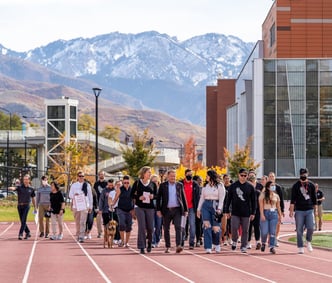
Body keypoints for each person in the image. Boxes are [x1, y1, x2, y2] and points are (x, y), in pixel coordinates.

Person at [224, 168, 256, 253]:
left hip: (246, 212)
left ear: (247, 176)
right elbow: (228, 199)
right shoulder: (233, 186)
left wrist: (253, 212)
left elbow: (254, 201)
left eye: (245, 176)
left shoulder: (250, 187)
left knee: (245, 230)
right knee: (234, 228)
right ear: (238, 175)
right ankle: (234, 240)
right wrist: (227, 211)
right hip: (235, 212)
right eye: (242, 175)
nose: (243, 177)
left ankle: (243, 246)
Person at [156, 169, 188, 254]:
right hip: (166, 210)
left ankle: (178, 245)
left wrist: (185, 209)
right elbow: (158, 198)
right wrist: (158, 210)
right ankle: (168, 246)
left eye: (174, 176)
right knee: (166, 228)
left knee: (178, 227)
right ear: (167, 176)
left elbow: (183, 197)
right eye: (171, 176)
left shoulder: (179, 185)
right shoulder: (163, 186)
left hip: (177, 209)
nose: (173, 178)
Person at [289, 168, 317, 254]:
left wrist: (315, 211)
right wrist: (291, 211)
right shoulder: (296, 185)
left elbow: (314, 199)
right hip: (299, 210)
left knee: (311, 227)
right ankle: (300, 246)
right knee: (299, 229)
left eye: (305, 174)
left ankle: (308, 241)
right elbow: (292, 200)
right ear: (300, 175)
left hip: (309, 209)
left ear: (307, 174)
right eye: (302, 174)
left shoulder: (311, 185)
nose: (303, 175)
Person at [197, 170, 225, 253]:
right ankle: (208, 247)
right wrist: (199, 209)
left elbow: (221, 199)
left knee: (216, 228)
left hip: (215, 205)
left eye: (207, 176)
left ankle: (216, 244)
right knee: (207, 226)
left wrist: (219, 209)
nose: (206, 177)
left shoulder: (220, 186)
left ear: (211, 176)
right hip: (206, 205)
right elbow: (202, 198)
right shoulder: (205, 186)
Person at [131, 166, 157, 254]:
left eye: (150, 172)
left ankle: (149, 242)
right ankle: (142, 246)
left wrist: (153, 196)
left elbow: (157, 195)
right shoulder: (137, 183)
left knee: (150, 228)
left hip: (150, 208)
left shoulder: (153, 184)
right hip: (140, 207)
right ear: (144, 173)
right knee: (142, 227)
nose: (150, 174)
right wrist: (139, 197)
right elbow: (131, 195)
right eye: (148, 172)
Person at [69, 171, 93, 243]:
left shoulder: (87, 185)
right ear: (77, 177)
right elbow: (70, 195)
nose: (81, 177)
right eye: (80, 176)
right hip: (76, 206)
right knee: (77, 222)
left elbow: (90, 196)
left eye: (82, 176)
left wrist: (90, 206)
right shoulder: (74, 185)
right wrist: (75, 195)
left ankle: (82, 236)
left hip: (84, 205)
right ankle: (78, 234)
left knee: (83, 221)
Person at [259, 181, 281, 254]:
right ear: (268, 187)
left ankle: (272, 246)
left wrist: (280, 215)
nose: (273, 187)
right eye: (271, 185)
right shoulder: (263, 195)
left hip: (274, 214)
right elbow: (261, 206)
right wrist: (262, 214)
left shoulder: (276, 196)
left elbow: (278, 206)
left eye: (274, 185)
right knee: (264, 231)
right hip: (265, 212)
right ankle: (263, 242)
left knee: (272, 232)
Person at [112, 175, 134, 248]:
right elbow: (116, 198)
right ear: (123, 182)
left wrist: (134, 210)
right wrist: (112, 204)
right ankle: (122, 240)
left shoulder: (132, 189)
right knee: (122, 224)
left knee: (129, 226)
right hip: (121, 209)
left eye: (127, 183)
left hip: (130, 210)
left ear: (129, 182)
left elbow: (135, 200)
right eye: (125, 183)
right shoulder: (120, 189)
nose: (126, 184)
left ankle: (127, 242)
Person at [182, 169, 201, 249]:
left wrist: (198, 209)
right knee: (182, 226)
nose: (190, 175)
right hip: (182, 208)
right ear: (185, 174)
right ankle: (181, 242)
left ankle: (191, 243)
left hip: (192, 208)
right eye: (188, 174)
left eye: (191, 174)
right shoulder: (180, 183)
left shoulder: (195, 184)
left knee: (192, 225)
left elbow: (198, 197)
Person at [16, 174, 36, 240]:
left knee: (24, 219)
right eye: (24, 179)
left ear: (29, 180)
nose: (25, 181)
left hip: (27, 206)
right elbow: (15, 188)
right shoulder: (20, 187)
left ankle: (20, 234)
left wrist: (35, 207)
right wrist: (11, 188)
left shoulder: (31, 189)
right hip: (19, 206)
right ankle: (28, 232)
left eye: (26, 179)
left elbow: (33, 198)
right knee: (22, 221)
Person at [247, 170, 263, 250]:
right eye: (250, 175)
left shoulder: (260, 186)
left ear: (255, 176)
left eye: (253, 175)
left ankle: (257, 241)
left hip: (257, 208)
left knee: (257, 225)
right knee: (249, 226)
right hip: (248, 208)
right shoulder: (246, 185)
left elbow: (263, 196)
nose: (252, 176)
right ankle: (248, 242)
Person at [268, 172, 285, 247]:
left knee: (277, 224)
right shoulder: (266, 187)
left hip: (276, 208)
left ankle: (275, 239)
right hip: (268, 208)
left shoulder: (278, 187)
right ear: (268, 177)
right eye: (270, 176)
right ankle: (270, 239)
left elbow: (281, 199)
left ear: (275, 178)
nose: (271, 177)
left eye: (273, 176)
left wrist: (282, 210)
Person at [94, 171, 107, 238]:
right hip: (98, 204)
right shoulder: (96, 184)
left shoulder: (107, 183)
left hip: (106, 204)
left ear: (104, 175)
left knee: (106, 219)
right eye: (100, 174)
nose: (101, 175)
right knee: (98, 219)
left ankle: (106, 232)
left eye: (102, 174)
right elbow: (94, 193)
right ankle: (100, 233)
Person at [150, 174, 162, 248]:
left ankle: (157, 239)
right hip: (151, 210)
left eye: (156, 181)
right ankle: (153, 241)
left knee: (158, 226)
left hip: (159, 210)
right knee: (152, 227)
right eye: (153, 181)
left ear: (158, 182)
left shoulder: (161, 190)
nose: (154, 183)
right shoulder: (149, 189)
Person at [221, 174, 232, 245]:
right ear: (223, 179)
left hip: (230, 207)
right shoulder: (222, 187)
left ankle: (230, 238)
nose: (227, 180)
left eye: (228, 178)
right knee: (224, 225)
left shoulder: (232, 187)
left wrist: (230, 209)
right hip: (223, 208)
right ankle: (224, 239)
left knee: (230, 224)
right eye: (225, 178)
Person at [193, 175, 203, 247]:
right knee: (197, 224)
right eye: (199, 180)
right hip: (195, 209)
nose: (200, 181)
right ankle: (198, 239)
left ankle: (200, 237)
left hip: (203, 209)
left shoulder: (204, 189)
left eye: (201, 180)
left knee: (202, 224)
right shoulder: (194, 189)